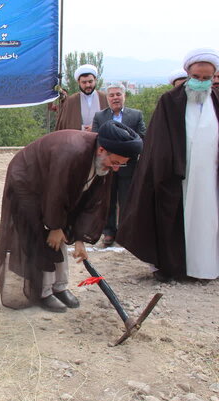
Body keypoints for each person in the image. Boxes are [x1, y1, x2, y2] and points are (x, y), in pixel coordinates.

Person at [0, 122, 143, 312]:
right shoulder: (72, 152)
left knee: (61, 235)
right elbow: (56, 193)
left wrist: (79, 238)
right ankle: (44, 292)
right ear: (102, 150)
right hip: (28, 181)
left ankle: (60, 286)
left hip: (53, 192)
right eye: (115, 163)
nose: (115, 169)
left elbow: (91, 201)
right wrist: (54, 227)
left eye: (121, 164)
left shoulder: (102, 161)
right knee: (44, 236)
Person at [118, 48, 219, 282]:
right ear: (188, 74)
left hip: (209, 179)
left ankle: (205, 269)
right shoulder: (169, 101)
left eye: (206, 78)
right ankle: (174, 268)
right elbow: (158, 144)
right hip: (177, 178)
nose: (201, 83)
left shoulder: (217, 100)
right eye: (197, 77)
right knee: (174, 222)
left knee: (207, 222)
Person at [92, 83, 146, 246]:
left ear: (124, 96)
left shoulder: (135, 115)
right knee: (107, 200)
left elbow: (142, 138)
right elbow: (95, 138)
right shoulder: (100, 116)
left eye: (118, 94)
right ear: (107, 98)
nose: (115, 98)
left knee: (126, 200)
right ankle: (108, 232)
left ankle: (125, 232)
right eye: (111, 95)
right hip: (107, 166)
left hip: (128, 167)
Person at [55, 64, 107, 131]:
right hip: (78, 140)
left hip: (101, 140)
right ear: (78, 82)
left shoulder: (104, 98)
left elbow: (112, 122)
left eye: (90, 81)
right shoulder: (71, 101)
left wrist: (95, 128)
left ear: (95, 80)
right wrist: (82, 129)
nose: (88, 85)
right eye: (84, 82)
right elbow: (64, 125)